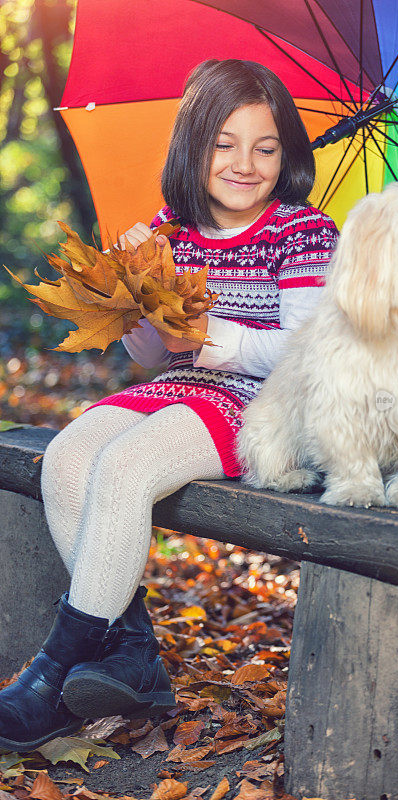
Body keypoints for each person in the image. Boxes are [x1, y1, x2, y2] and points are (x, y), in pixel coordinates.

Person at [0, 59, 339, 752]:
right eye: (224, 143)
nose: (245, 163)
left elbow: (309, 352)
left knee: (126, 466)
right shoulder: (172, 228)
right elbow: (152, 360)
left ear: (287, 154)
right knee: (67, 458)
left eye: (266, 147)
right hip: (180, 389)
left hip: (266, 405)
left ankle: (55, 669)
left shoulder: (302, 232)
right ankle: (131, 652)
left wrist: (216, 339)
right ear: (192, 146)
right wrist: (132, 297)